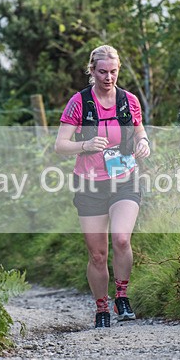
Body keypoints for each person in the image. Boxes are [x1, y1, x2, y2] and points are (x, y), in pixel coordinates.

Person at [54, 45, 151, 328]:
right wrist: (85, 144)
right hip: (90, 185)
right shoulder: (79, 102)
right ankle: (101, 308)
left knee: (121, 239)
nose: (108, 78)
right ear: (92, 71)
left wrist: (143, 142)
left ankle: (122, 296)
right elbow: (60, 145)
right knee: (98, 255)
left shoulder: (129, 100)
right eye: (102, 72)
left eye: (113, 72)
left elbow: (138, 128)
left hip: (124, 178)